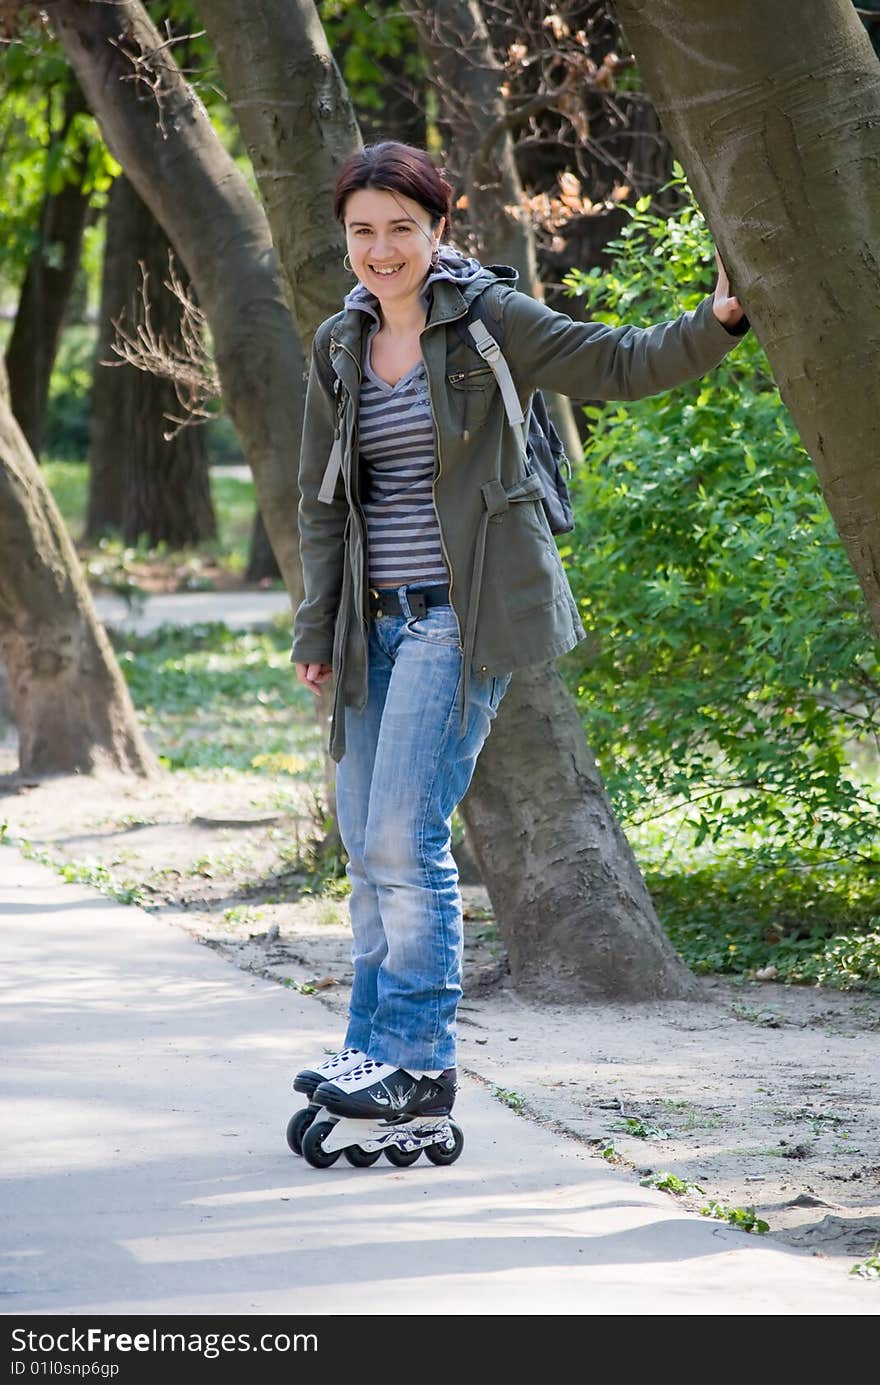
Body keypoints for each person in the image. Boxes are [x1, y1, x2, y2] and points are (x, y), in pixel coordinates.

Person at [290, 140, 746, 1136]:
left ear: (438, 228)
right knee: (368, 848)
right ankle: (374, 1047)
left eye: (400, 228)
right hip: (372, 623)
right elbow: (322, 502)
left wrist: (717, 321)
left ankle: (415, 1061)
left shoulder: (486, 319)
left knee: (401, 836)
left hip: (466, 613)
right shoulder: (339, 342)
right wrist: (314, 626)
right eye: (362, 230)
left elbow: (612, 359)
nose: (380, 248)